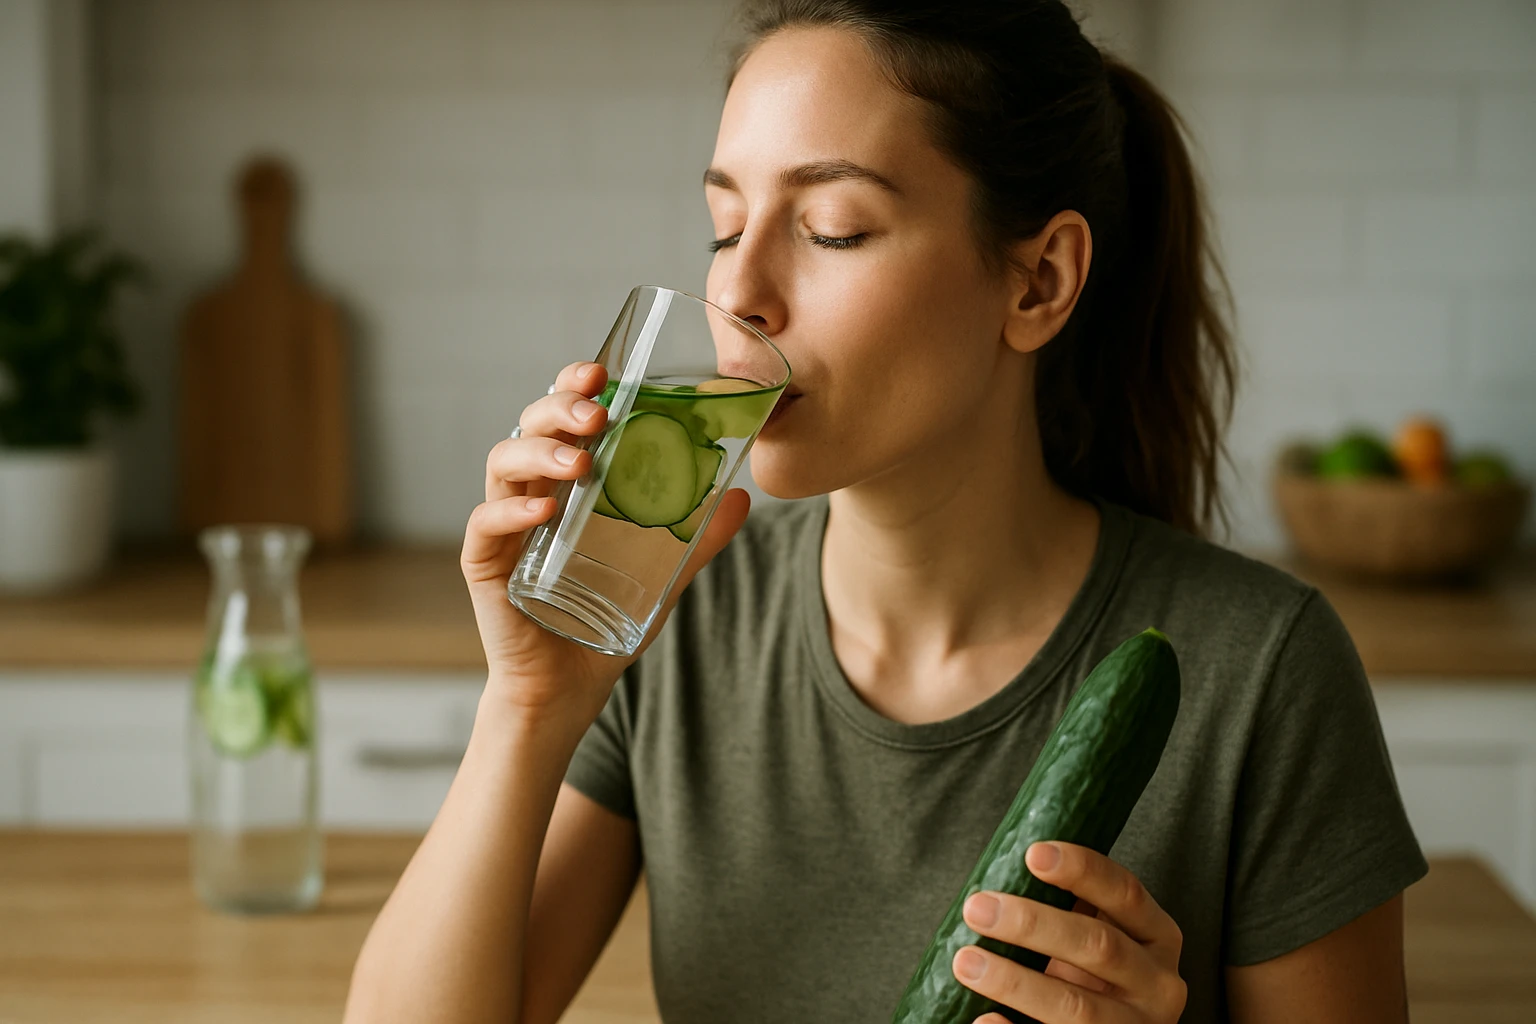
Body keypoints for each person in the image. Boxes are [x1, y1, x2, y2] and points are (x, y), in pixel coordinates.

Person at [345, 2, 1426, 1021]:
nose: (739, 293)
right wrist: (527, 706)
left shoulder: (1265, 670)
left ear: (1039, 281)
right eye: (725, 227)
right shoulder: (670, 609)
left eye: (833, 229)